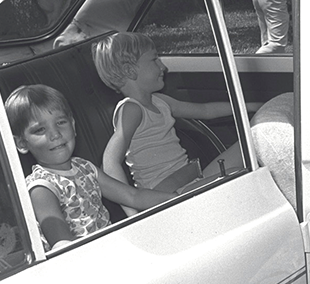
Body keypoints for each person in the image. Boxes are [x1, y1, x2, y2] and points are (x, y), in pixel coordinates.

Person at [4, 84, 176, 251]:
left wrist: (175, 197)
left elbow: (132, 196)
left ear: (73, 125)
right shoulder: (42, 187)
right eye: (40, 129)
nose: (55, 134)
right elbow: (62, 244)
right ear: (21, 143)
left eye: (61, 122)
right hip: (84, 262)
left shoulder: (85, 168)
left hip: (112, 248)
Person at [93, 32, 260, 198]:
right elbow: (110, 162)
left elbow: (206, 111)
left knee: (254, 138)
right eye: (154, 60)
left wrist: (249, 106)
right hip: (166, 195)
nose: (163, 67)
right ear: (130, 71)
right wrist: (133, 205)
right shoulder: (131, 109)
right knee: (240, 175)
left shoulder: (159, 101)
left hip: (189, 181)